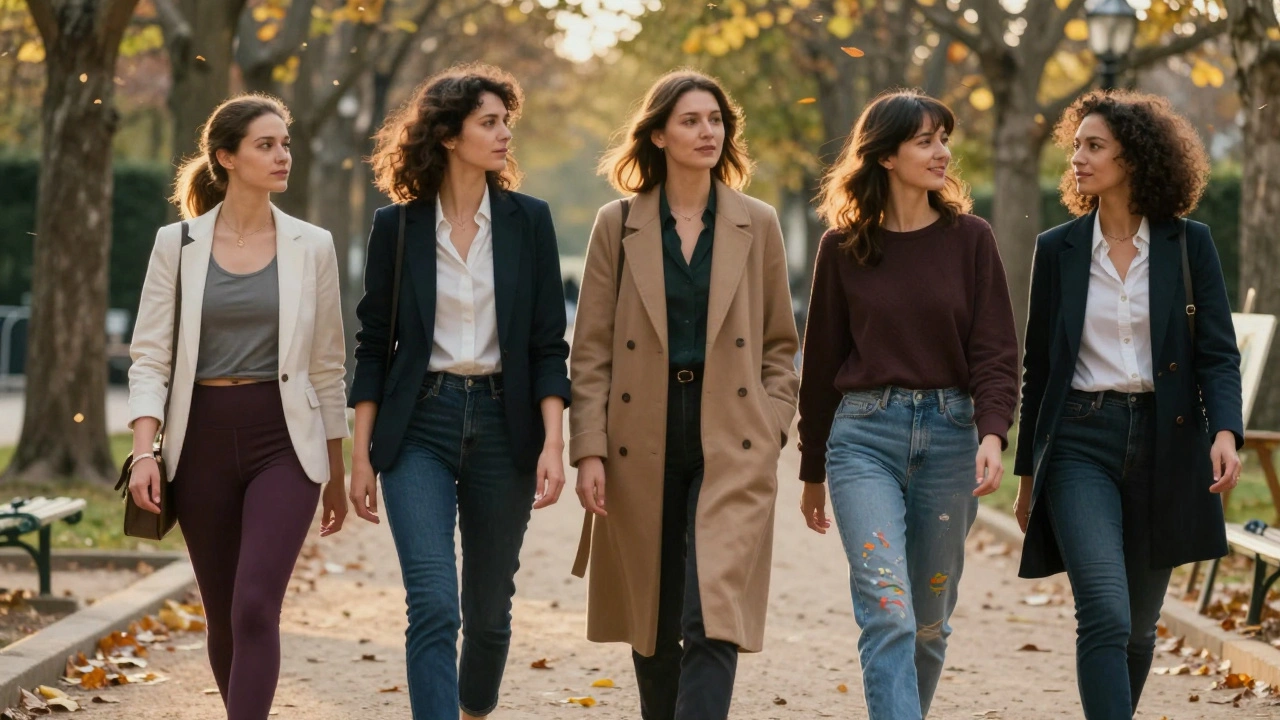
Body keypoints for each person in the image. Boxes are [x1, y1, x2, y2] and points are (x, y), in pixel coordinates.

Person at [568, 70, 799, 720]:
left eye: (716, 120)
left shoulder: (759, 222)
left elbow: (780, 344)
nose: (707, 132)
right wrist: (589, 450)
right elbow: (591, 351)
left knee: (712, 610)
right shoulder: (618, 224)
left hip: (733, 433)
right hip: (639, 435)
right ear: (659, 134)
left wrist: (772, 422)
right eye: (691, 120)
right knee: (653, 613)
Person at [346, 63, 570, 720]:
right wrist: (360, 455)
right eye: (489, 123)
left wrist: (554, 441)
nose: (504, 135)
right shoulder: (398, 227)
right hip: (420, 424)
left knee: (490, 614)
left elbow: (548, 344)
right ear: (448, 135)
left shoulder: (530, 221)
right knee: (433, 604)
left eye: (506, 122)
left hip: (506, 425)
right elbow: (373, 345)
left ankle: (474, 710)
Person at [1014, 89, 1243, 720]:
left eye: (1094, 146)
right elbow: (1039, 369)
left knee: (1140, 629)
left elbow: (1217, 353)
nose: (1078, 159)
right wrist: (1028, 474)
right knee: (1106, 614)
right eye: (1076, 146)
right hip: (1079, 442)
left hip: (1166, 445)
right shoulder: (1057, 248)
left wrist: (1225, 431)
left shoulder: (1189, 245)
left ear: (1134, 158)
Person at [796, 89, 1019, 719]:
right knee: (888, 611)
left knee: (927, 622)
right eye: (926, 141)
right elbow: (821, 363)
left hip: (951, 436)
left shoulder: (971, 239)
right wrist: (812, 470)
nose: (942, 152)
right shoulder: (843, 247)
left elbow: (995, 349)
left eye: (944, 139)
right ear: (886, 156)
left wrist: (992, 432)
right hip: (864, 438)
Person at [126, 94, 349, 720]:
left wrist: (335, 471)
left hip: (285, 442)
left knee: (255, 605)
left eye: (285, 144)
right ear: (226, 157)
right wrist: (144, 452)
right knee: (224, 613)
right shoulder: (177, 244)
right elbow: (150, 356)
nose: (283, 156)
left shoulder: (313, 245)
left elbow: (328, 366)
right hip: (200, 443)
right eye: (265, 145)